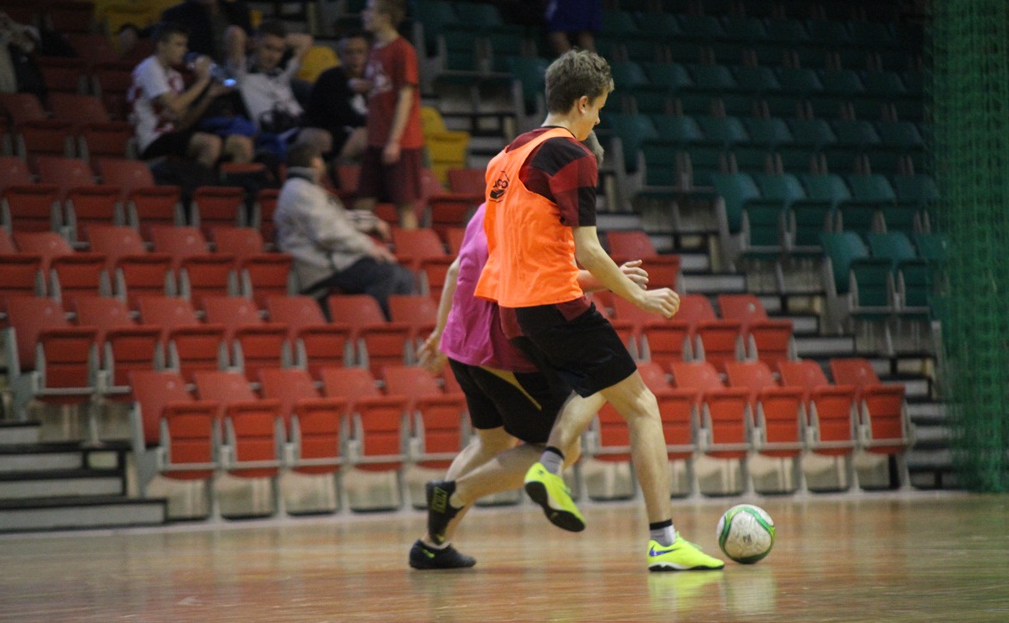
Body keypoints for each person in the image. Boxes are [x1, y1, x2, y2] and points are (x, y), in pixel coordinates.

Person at [475, 49, 724, 572]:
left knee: (594, 386)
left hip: (512, 311)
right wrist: (639, 297)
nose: (600, 120)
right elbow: (586, 247)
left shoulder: (505, 158)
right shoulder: (571, 153)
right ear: (583, 103)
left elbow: (511, 249)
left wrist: (599, 285)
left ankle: (548, 462)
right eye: (600, 109)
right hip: (554, 301)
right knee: (642, 406)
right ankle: (664, 540)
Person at [408, 137, 653, 570]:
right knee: (559, 448)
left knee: (493, 441)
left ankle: (433, 543)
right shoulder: (532, 216)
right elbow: (534, 280)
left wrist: (440, 333)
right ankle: (453, 495)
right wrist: (608, 279)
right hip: (497, 349)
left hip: (462, 343)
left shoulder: (490, 205)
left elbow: (454, 270)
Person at [274, 141, 417, 317]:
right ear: (315, 162)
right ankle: (370, 325)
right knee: (388, 274)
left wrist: (371, 221)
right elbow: (329, 233)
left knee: (406, 276)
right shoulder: (299, 192)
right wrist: (368, 248)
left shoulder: (307, 190)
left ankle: (399, 335)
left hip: (336, 260)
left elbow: (336, 219)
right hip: (321, 266)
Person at [127, 21, 252, 169]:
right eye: (179, 45)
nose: (185, 50)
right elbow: (174, 106)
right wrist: (203, 81)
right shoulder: (149, 67)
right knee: (210, 144)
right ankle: (196, 187)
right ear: (161, 45)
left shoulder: (176, 77)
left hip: (174, 135)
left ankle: (229, 190)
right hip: (152, 139)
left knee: (242, 145)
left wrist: (209, 96)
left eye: (185, 45)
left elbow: (184, 122)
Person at [356, 0, 425, 231]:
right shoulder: (375, 48)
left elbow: (405, 97)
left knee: (403, 205)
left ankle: (412, 259)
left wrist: (393, 141)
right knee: (363, 203)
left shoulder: (402, 50)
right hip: (376, 140)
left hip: (400, 143)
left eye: (370, 9)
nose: (364, 14)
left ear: (385, 16)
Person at [230, 18, 332, 158]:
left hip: (301, 126)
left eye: (279, 50)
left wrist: (277, 40)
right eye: (268, 48)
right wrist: (256, 38)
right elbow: (234, 33)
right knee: (320, 138)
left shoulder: (282, 75)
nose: (273, 56)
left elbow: (306, 40)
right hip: (277, 137)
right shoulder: (241, 76)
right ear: (255, 44)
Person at [161, 0, 251, 65]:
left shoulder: (237, 10)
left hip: (238, 65)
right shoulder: (176, 15)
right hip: (201, 66)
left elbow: (250, 37)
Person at [305, 33, 370, 164]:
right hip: (331, 133)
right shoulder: (330, 79)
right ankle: (338, 167)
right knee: (368, 135)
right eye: (349, 52)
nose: (355, 57)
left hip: (355, 132)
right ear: (340, 55)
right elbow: (344, 116)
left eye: (360, 52)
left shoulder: (373, 78)